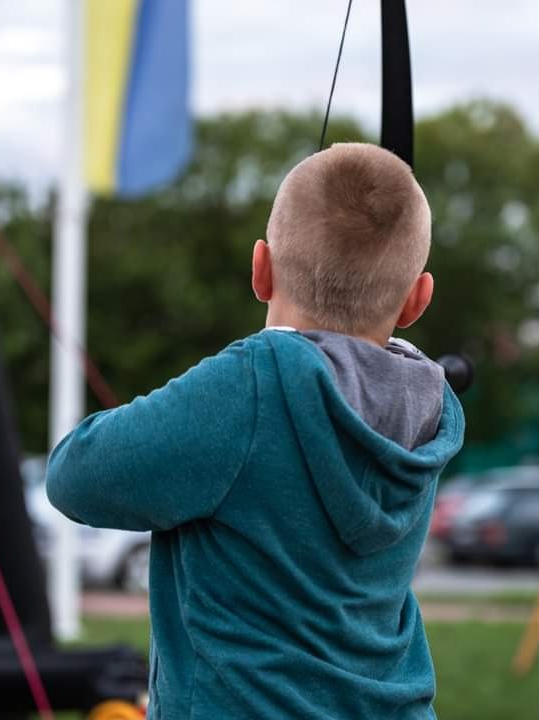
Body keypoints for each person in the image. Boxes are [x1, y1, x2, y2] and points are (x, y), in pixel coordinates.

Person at [46, 143, 465, 719]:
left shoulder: (250, 388)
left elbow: (74, 476)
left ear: (260, 269)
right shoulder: (426, 404)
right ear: (418, 299)